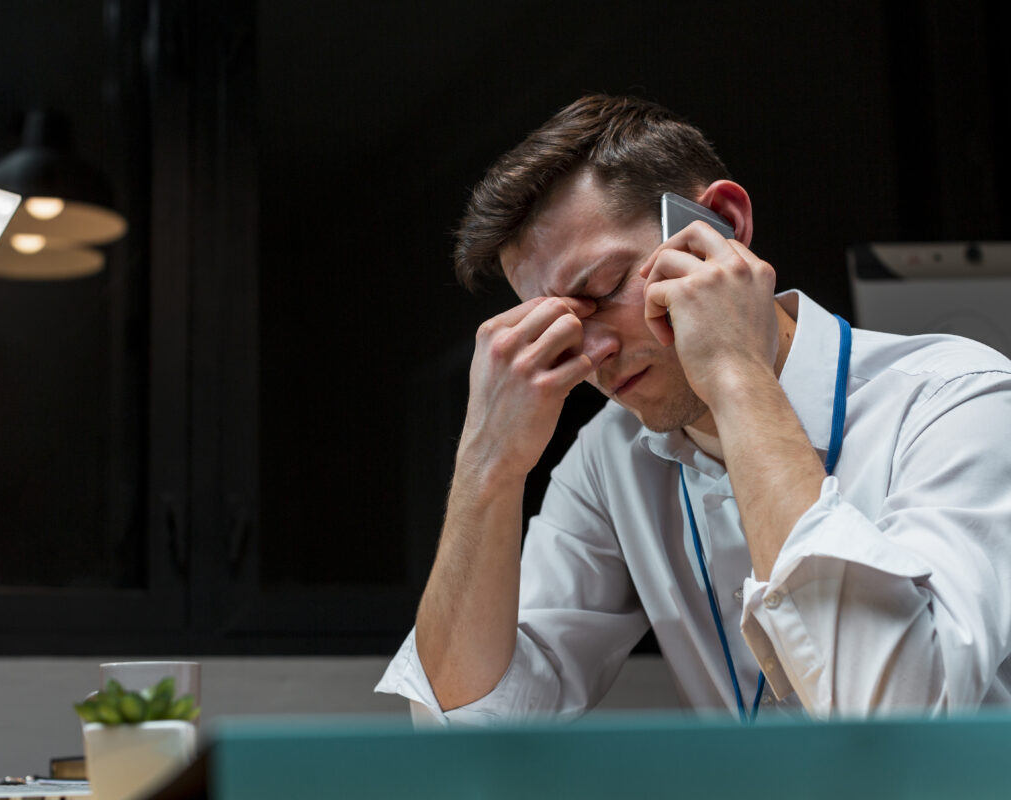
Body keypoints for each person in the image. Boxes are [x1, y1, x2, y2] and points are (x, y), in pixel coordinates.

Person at [375, 94, 1011, 724]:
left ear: (721, 224)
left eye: (603, 288)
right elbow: (467, 730)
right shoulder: (609, 458)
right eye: (558, 324)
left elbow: (900, 714)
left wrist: (734, 371)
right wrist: (488, 463)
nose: (592, 354)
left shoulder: (959, 399)